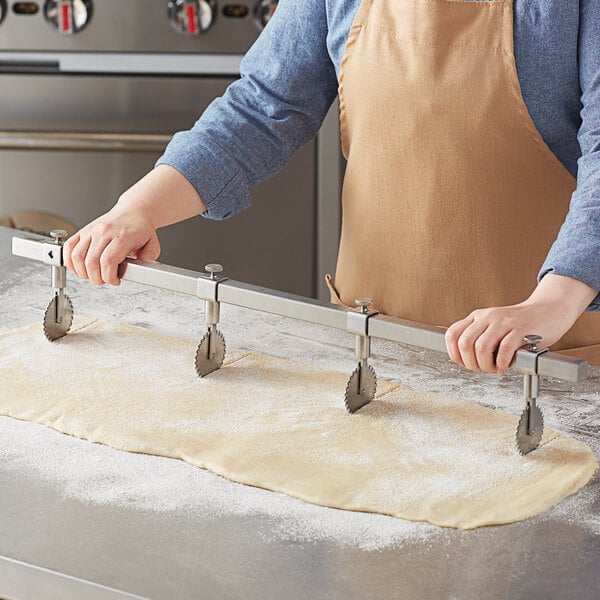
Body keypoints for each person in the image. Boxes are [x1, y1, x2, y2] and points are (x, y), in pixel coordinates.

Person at [64, 0, 600, 373]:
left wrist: (550, 303)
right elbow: (263, 107)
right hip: (375, 348)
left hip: (548, 354)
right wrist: (138, 208)